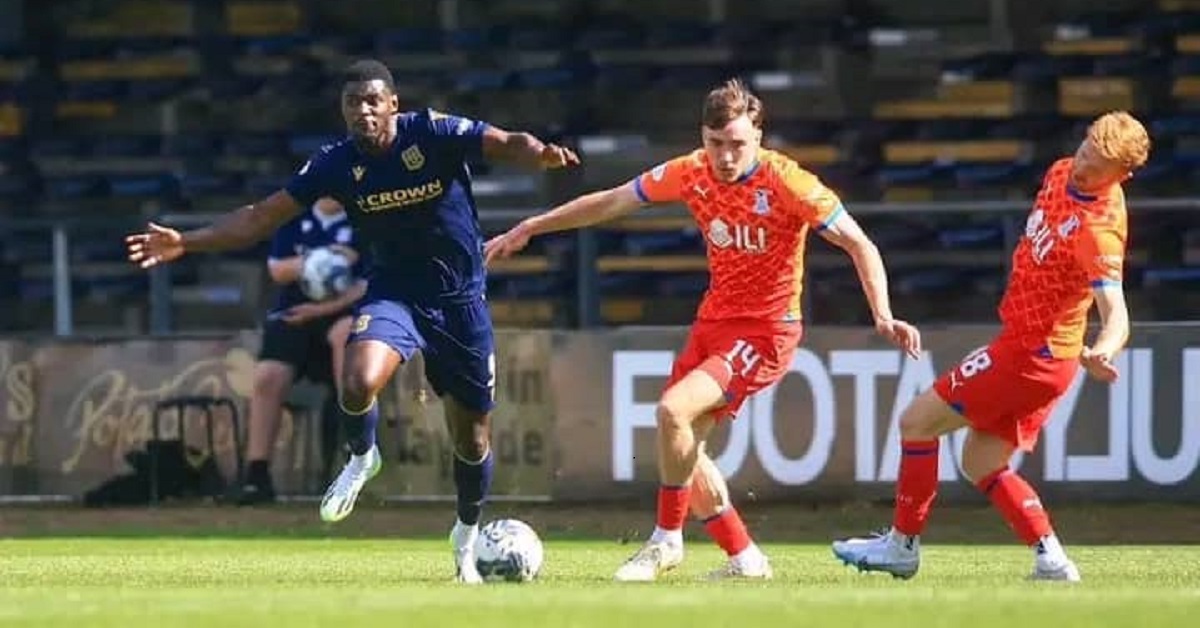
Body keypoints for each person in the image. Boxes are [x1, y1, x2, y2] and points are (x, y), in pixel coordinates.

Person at [126, 59, 580, 583]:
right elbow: (258, 217)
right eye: (352, 103)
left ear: (392, 104)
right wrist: (188, 240)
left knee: (471, 439)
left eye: (372, 101)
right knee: (359, 377)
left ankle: (465, 534)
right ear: (343, 111)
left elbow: (504, 141)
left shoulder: (430, 132)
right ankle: (362, 455)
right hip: (394, 294)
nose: (363, 111)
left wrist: (539, 154)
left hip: (460, 301)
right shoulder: (335, 164)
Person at [485, 78, 921, 582]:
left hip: (766, 332)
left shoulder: (788, 182)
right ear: (702, 137)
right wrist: (532, 226)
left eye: (737, 144)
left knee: (673, 411)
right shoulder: (691, 172)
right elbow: (611, 201)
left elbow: (859, 244)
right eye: (716, 144)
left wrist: (883, 315)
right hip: (712, 324)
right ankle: (745, 557)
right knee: (682, 441)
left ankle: (665, 542)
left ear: (759, 136)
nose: (726, 156)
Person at [830, 111, 1150, 582]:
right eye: (1085, 150)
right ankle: (1052, 559)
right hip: (1036, 353)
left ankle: (902, 546)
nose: (1083, 166)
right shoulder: (1061, 171)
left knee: (917, 422)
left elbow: (1115, 309)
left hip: (1032, 356)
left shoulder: (1098, 231)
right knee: (980, 461)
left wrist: (1105, 346)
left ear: (1121, 176)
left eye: (1098, 165)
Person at [238, 196, 366, 505]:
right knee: (268, 375)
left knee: (344, 334)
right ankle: (257, 474)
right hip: (295, 313)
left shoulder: (363, 219)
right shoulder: (293, 220)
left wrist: (323, 309)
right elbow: (277, 269)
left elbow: (367, 282)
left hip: (343, 310)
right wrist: (321, 259)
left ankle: (353, 445)